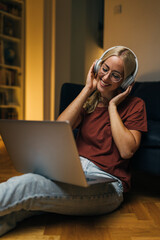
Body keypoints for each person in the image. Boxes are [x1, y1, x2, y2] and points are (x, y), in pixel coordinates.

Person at [0, 46, 147, 236]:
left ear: (125, 81)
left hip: (108, 186)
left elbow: (127, 151)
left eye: (116, 75)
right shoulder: (90, 102)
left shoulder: (135, 106)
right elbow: (61, 126)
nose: (106, 77)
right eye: (105, 68)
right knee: (19, 209)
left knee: (28, 186)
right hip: (73, 173)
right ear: (97, 67)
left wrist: (112, 106)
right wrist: (87, 89)